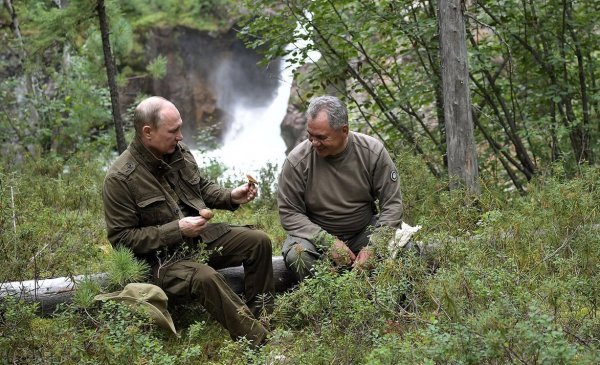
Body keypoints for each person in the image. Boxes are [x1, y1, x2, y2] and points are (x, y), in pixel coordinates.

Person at [102, 96, 273, 346]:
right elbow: (122, 240)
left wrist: (230, 196)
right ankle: (257, 341)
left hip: (196, 242)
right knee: (206, 277)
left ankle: (263, 318)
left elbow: (199, 186)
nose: (181, 136)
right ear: (147, 132)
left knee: (258, 241)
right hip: (160, 262)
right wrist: (178, 229)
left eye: (180, 128)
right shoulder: (120, 179)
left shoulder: (176, 151)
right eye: (173, 131)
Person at [277, 95, 404, 281]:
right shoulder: (297, 161)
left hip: (363, 232)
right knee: (298, 256)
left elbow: (392, 205)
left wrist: (374, 246)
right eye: (309, 135)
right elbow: (289, 213)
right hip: (315, 239)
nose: (314, 143)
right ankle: (330, 299)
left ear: (344, 130)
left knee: (404, 247)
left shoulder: (372, 152)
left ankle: (374, 298)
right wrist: (327, 242)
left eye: (321, 137)